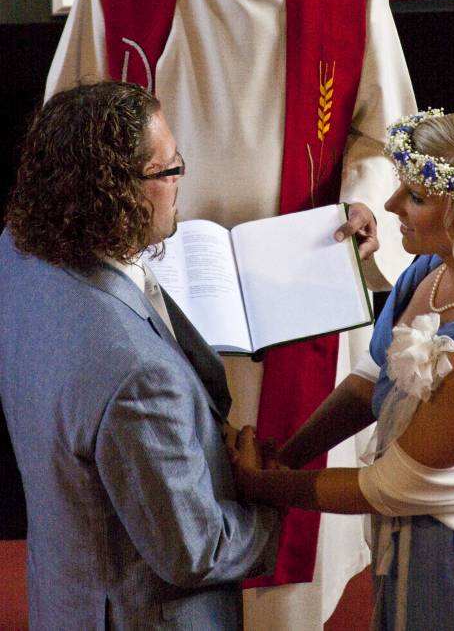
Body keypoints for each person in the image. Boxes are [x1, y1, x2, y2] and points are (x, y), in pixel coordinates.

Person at [44, 0, 417, 627]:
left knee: (284, 562)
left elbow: (381, 130)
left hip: (299, 283)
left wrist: (361, 206)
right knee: (170, 513)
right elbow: (67, 123)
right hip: (163, 279)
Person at [232, 107, 454, 630]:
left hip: (452, 560)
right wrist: (287, 455)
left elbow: (388, 486)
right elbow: (370, 382)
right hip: (407, 532)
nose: (388, 205)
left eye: (416, 197)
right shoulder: (441, 265)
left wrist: (263, 487)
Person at [0, 81, 279, 630]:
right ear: (114, 189)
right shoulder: (137, 376)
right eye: (167, 169)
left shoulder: (18, 248)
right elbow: (194, 552)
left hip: (68, 588)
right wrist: (269, 503)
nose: (179, 181)